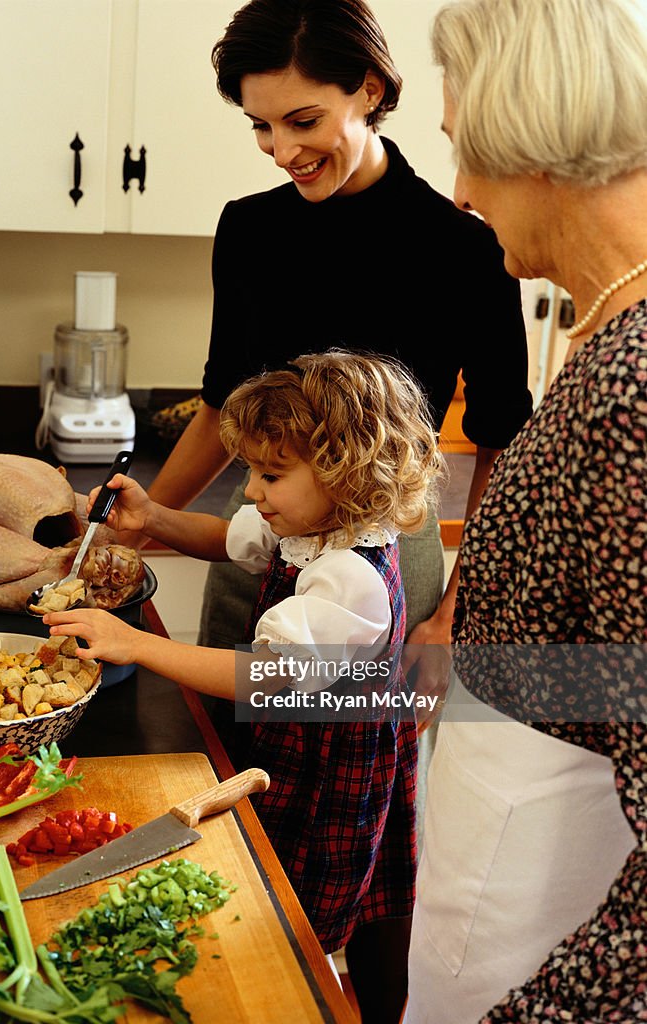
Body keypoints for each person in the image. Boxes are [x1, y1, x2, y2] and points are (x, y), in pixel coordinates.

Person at [46, 350, 444, 1022]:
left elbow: (269, 676)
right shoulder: (314, 523)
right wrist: (153, 519)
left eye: (269, 474)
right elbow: (229, 538)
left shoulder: (351, 575)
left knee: (296, 923)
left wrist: (135, 643)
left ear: (345, 473)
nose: (252, 490)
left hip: (329, 775)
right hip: (293, 751)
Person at [143, 0, 532, 680]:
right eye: (260, 126)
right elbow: (218, 406)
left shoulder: (467, 250)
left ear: (369, 90)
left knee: (347, 776)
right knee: (215, 756)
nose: (283, 151)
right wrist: (140, 523)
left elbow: (504, 445)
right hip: (258, 534)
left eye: (303, 120)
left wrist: (451, 617)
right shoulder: (248, 231)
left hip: (387, 558)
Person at [405, 0, 647, 1021]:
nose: (460, 193)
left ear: (535, 144)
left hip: (530, 930)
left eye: (469, 155)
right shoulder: (612, 338)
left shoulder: (634, 390)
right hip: (490, 871)